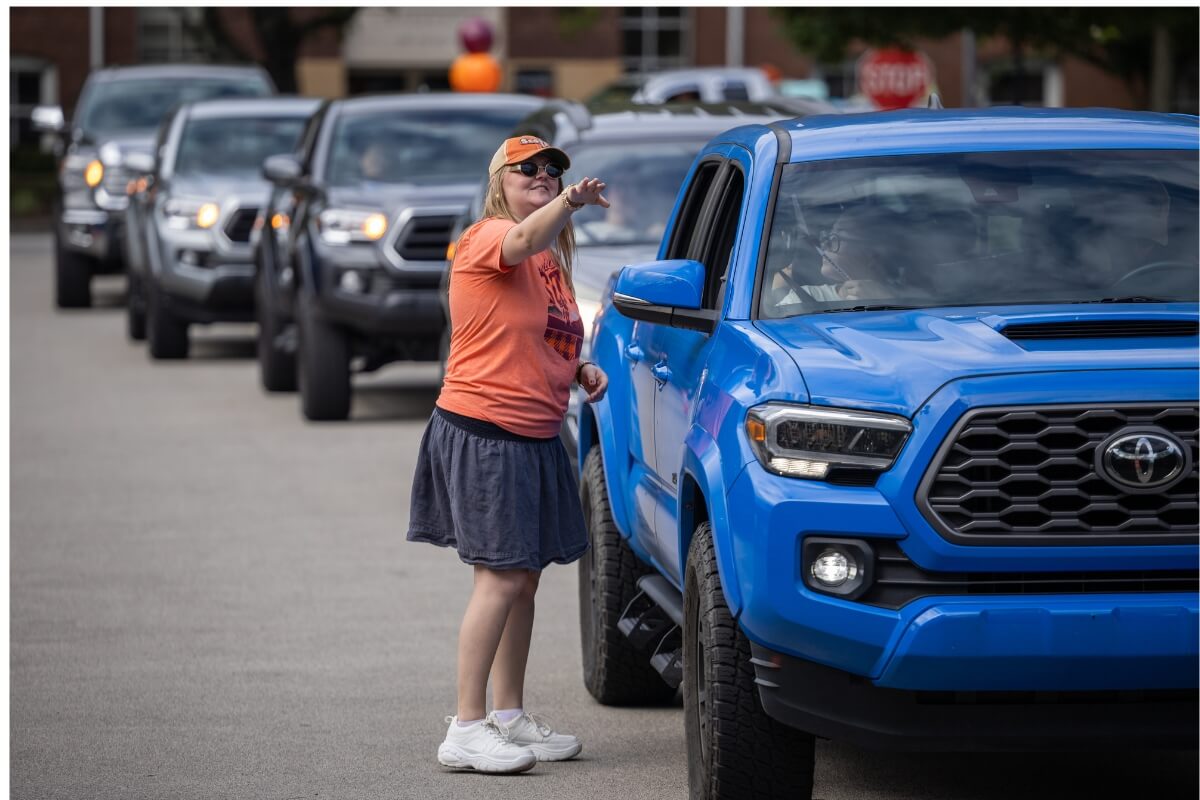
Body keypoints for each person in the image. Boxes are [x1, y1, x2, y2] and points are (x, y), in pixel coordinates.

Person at [406, 135, 610, 774]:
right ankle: (465, 729)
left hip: (536, 432)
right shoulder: (487, 237)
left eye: (553, 170)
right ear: (501, 181)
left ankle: (509, 716)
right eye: (529, 169)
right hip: (485, 430)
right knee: (498, 579)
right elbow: (519, 244)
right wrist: (571, 202)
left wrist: (576, 367)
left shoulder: (548, 261)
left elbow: (535, 330)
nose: (544, 175)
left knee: (523, 580)